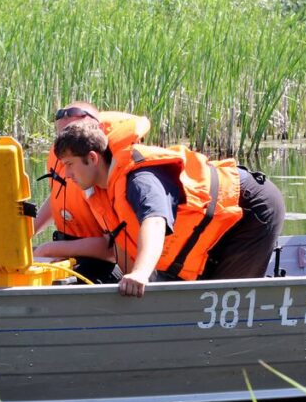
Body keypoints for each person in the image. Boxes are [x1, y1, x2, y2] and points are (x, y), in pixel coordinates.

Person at [53, 119, 284, 297]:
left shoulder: (138, 178)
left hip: (250, 209)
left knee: (223, 297)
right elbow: (122, 244)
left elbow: (154, 221)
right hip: (215, 227)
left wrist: (141, 274)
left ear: (92, 158)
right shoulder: (102, 192)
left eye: (70, 165)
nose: (67, 174)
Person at [33, 101, 150, 283]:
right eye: (62, 135)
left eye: (73, 134)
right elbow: (59, 194)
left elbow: (110, 249)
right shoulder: (69, 160)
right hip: (66, 249)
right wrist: (28, 231)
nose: (69, 141)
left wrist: (50, 249)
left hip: (102, 263)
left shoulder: (102, 175)